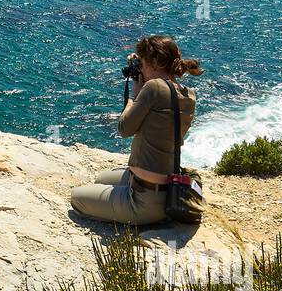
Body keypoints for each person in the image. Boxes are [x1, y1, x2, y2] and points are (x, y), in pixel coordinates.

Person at [70, 34, 202, 225]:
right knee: (101, 179)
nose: (141, 67)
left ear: (155, 62)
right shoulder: (189, 95)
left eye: (143, 62)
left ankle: (136, 216)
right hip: (168, 191)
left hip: (142, 200)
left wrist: (134, 93)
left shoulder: (153, 87)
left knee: (77, 197)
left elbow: (124, 129)